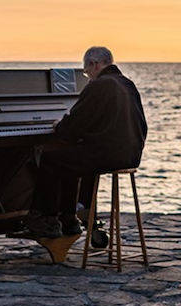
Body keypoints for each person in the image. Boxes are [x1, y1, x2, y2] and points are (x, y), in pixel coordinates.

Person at [23, 46, 148, 238]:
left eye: (86, 70)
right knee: (70, 161)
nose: (87, 75)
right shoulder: (127, 84)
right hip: (131, 155)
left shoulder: (99, 86)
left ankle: (46, 221)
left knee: (50, 160)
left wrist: (59, 125)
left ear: (93, 64)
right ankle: (69, 219)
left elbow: (72, 128)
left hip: (107, 155)